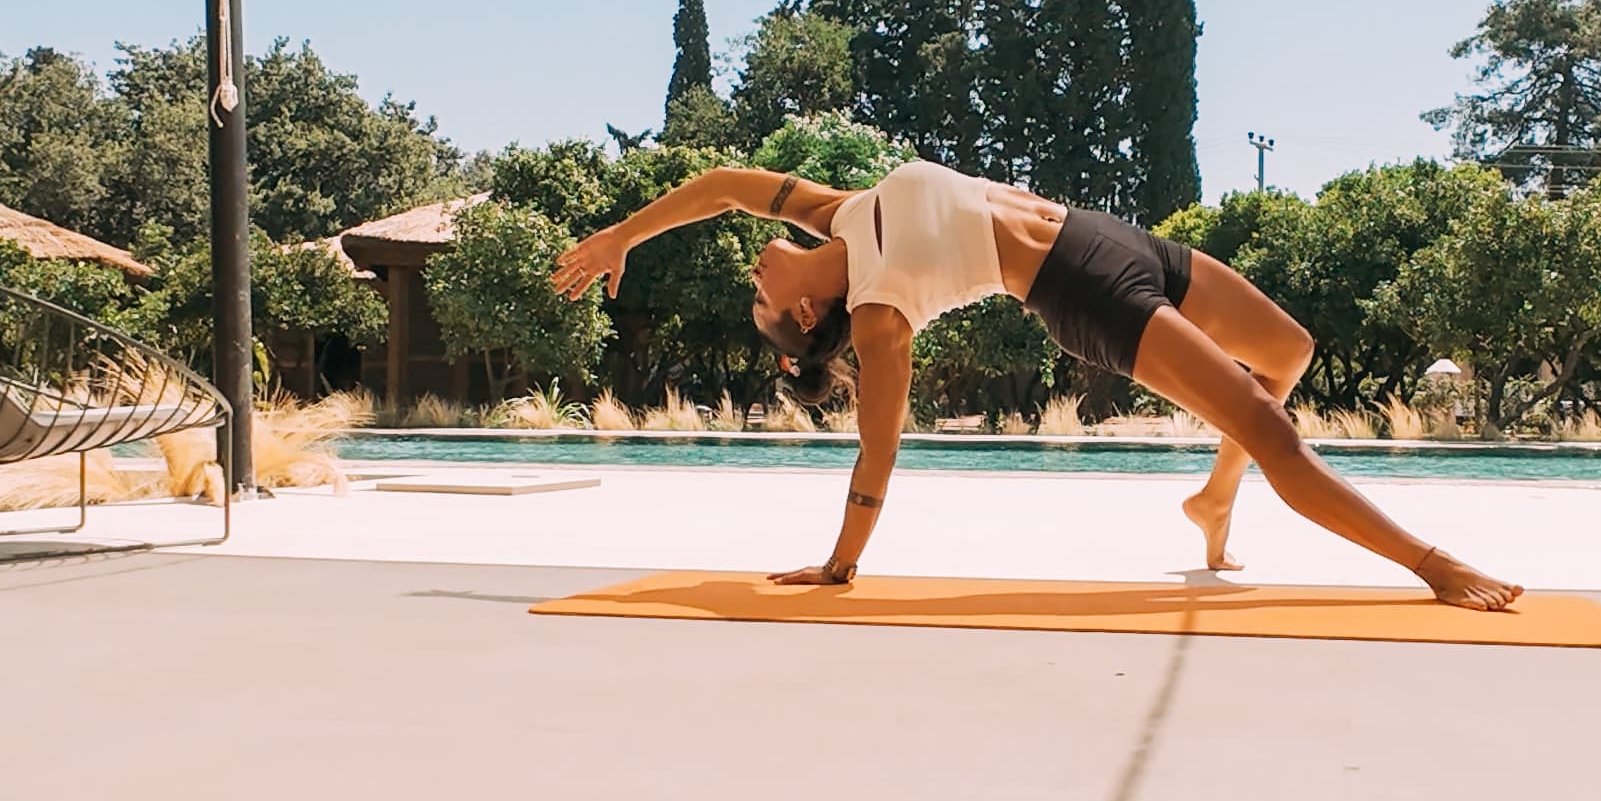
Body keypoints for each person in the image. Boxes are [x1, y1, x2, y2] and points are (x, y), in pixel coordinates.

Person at [548, 159, 1525, 609]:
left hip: (1109, 236)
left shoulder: (840, 212)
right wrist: (841, 563)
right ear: (807, 318)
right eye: (760, 301)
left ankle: (1212, 497)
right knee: (1273, 428)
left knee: (1291, 348)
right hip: (1081, 289)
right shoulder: (881, 312)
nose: (752, 275)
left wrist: (620, 236)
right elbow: (878, 450)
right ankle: (1431, 563)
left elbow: (719, 182)